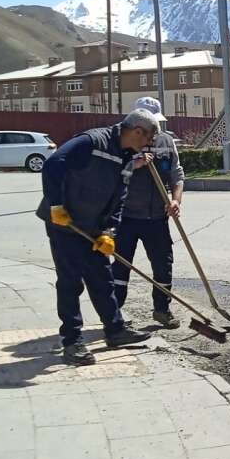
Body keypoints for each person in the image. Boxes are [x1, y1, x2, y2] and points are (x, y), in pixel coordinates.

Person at [36, 109, 159, 365]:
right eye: (148, 138)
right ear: (137, 131)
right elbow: (53, 164)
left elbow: (119, 199)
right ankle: (72, 341)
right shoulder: (91, 142)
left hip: (92, 227)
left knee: (102, 278)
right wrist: (56, 205)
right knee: (70, 282)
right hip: (65, 224)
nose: (148, 145)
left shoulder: (127, 157)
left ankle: (115, 330)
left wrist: (108, 232)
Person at [113, 97, 184, 329]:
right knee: (121, 267)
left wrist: (175, 200)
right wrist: (134, 164)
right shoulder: (122, 142)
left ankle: (162, 310)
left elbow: (176, 174)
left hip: (157, 218)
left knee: (163, 265)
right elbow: (111, 174)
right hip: (127, 217)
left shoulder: (166, 141)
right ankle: (114, 317)